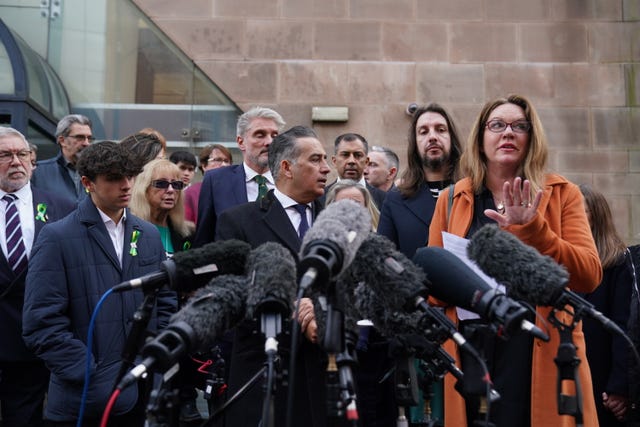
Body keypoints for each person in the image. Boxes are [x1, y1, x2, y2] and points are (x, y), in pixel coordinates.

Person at [425, 94, 602, 427]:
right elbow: (432, 286)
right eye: (497, 125)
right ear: (480, 140)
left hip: (537, 347)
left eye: (519, 126)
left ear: (531, 139)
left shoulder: (562, 193)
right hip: (472, 351)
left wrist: (534, 231)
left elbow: (588, 276)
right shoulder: (451, 199)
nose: (508, 133)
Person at [22, 141, 177, 426]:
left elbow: (164, 302)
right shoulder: (56, 237)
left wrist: (155, 359)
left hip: (142, 395)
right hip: (82, 402)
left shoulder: (148, 234)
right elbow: (40, 322)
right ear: (87, 183)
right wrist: (90, 372)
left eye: (130, 176)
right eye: (114, 178)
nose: (126, 185)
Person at [215, 125, 330, 427]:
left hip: (323, 381)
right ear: (287, 167)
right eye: (316, 160)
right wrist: (294, 312)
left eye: (325, 159)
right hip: (264, 378)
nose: (327, 168)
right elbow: (232, 299)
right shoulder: (239, 221)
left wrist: (320, 310)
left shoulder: (336, 221)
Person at [0, 128, 75, 427]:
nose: (16, 161)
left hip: (33, 344)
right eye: (5, 155)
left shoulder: (64, 208)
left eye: (22, 154)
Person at [377, 103, 462, 259]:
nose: (432, 137)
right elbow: (384, 260)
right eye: (423, 132)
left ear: (452, 138)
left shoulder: (474, 192)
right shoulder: (396, 200)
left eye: (440, 130)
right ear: (415, 144)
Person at [579, 184, 632, 426]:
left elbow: (624, 326)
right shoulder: (561, 258)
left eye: (581, 211)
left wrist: (618, 387)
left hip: (602, 376)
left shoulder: (617, 262)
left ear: (596, 217)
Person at [193, 107, 285, 247]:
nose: (269, 142)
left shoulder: (290, 181)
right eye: (260, 135)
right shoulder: (216, 181)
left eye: (275, 136)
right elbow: (204, 240)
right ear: (241, 142)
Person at [130, 159, 194, 257]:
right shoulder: (128, 230)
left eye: (176, 184)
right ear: (144, 189)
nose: (171, 190)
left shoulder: (187, 233)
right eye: (161, 184)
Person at [31, 114, 93, 205]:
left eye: (89, 138)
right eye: (80, 137)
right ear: (62, 140)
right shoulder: (38, 172)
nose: (86, 143)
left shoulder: (97, 173)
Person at [325, 133, 386, 210]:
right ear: (334, 161)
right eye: (345, 155)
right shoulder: (319, 198)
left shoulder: (384, 199)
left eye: (358, 155)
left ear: (366, 162)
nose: (351, 161)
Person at [183, 144, 232, 223]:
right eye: (218, 160)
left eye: (227, 161)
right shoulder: (191, 193)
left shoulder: (235, 190)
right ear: (204, 166)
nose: (224, 165)